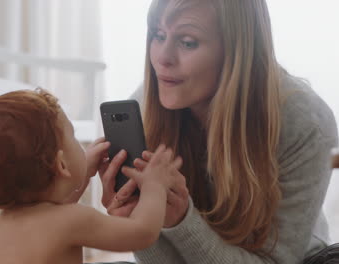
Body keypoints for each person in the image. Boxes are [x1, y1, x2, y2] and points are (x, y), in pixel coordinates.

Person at [97, 0, 338, 263]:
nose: (162, 59)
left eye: (187, 42)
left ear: (237, 51)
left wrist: (181, 221)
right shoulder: (147, 106)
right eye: (158, 35)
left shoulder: (304, 123)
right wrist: (137, 221)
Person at [0, 88, 183, 264]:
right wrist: (155, 186)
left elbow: (56, 208)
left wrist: (84, 170)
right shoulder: (74, 219)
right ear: (62, 164)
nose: (79, 144)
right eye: (73, 136)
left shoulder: (7, 220)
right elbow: (142, 232)